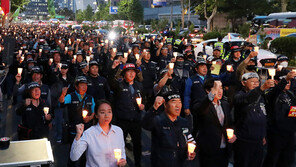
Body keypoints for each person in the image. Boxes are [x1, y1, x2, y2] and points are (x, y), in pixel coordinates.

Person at [142, 92, 196, 167]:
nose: (178, 105)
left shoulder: (183, 121)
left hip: (181, 162)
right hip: (162, 163)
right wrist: (154, 108)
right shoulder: (158, 120)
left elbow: (189, 139)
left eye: (179, 102)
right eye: (174, 102)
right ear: (165, 105)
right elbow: (145, 124)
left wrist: (191, 151)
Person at [233, 72, 275, 167]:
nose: (256, 84)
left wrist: (263, 134)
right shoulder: (239, 96)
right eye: (252, 82)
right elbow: (248, 98)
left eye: (257, 82)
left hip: (259, 140)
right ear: (243, 83)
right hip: (244, 140)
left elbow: (264, 115)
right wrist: (261, 88)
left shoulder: (262, 96)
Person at [192, 78, 235, 167]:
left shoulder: (225, 104)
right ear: (208, 91)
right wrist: (211, 95)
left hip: (224, 148)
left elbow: (230, 124)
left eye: (221, 88)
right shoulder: (201, 103)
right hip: (208, 149)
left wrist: (233, 134)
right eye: (216, 88)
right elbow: (200, 109)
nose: (220, 91)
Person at [70, 100, 127, 167]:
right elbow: (74, 157)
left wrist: (122, 160)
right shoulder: (89, 133)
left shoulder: (118, 131)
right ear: (96, 115)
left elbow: (122, 152)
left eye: (109, 111)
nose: (106, 115)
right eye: (102, 112)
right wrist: (78, 136)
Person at [109, 62, 144, 167]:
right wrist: (113, 68)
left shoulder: (139, 86)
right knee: (119, 144)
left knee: (137, 144)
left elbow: (144, 100)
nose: (131, 74)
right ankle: (119, 163)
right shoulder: (119, 85)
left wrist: (143, 106)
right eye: (129, 72)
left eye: (133, 72)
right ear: (124, 74)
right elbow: (111, 81)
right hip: (122, 121)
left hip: (136, 120)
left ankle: (138, 163)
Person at [263, 71, 296, 167]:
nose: (288, 83)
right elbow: (276, 91)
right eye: (286, 81)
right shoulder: (271, 93)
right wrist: (286, 79)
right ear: (277, 82)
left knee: (288, 159)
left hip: (290, 132)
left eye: (290, 81)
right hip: (276, 132)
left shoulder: (291, 94)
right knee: (273, 158)